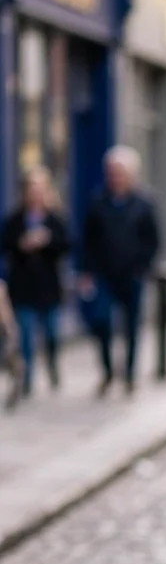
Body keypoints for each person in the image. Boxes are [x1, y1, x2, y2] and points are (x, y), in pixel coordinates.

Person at [80, 146, 159, 395]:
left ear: (132, 174)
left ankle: (130, 374)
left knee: (131, 326)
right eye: (112, 172)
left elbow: (153, 239)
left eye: (120, 172)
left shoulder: (144, 204)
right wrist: (86, 271)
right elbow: (88, 239)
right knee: (101, 320)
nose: (115, 177)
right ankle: (107, 371)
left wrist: (142, 266)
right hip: (104, 274)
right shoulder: (97, 202)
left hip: (132, 274)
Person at [1, 165, 70, 396]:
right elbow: (6, 245)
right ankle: (27, 379)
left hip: (48, 288)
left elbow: (66, 245)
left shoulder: (55, 219)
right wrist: (22, 244)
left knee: (51, 333)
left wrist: (47, 241)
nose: (36, 195)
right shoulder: (15, 220)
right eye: (32, 189)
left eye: (40, 189)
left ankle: (52, 363)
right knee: (26, 335)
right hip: (23, 288)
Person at [0, 279, 23, 409]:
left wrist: (11, 330)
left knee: (13, 363)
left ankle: (15, 391)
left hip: (3, 330)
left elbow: (6, 311)